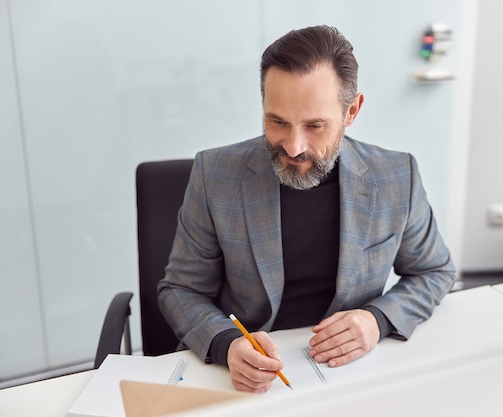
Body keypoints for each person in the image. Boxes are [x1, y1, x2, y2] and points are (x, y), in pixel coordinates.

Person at [158, 25, 455, 393]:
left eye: (315, 125)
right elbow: (180, 290)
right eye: (277, 121)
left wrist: (377, 320)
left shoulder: (397, 176)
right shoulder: (215, 175)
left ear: (352, 111)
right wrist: (227, 344)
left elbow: (435, 271)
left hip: (353, 374)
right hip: (249, 376)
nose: (294, 147)